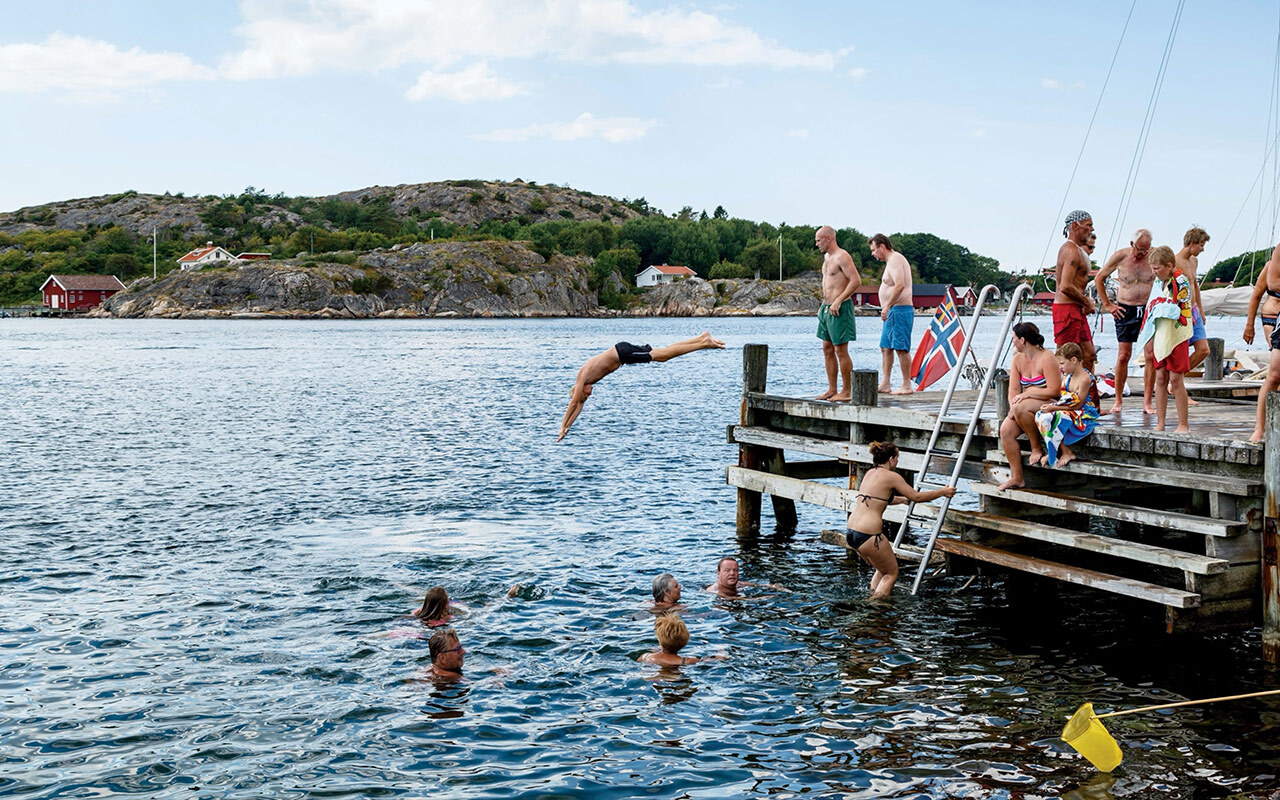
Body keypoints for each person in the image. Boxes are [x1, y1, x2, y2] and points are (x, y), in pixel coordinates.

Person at [557, 332, 725, 441]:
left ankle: (704, 344)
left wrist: (562, 424)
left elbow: (573, 404)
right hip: (623, 353)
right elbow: (578, 407)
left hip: (623, 353)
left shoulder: (582, 377)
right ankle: (701, 338)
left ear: (579, 392)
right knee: (663, 353)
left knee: (664, 356)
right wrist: (567, 428)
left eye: (586, 396)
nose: (589, 395)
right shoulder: (587, 383)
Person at [845, 441, 956, 598]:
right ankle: (874, 610)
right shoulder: (892, 477)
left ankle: (871, 598)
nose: (897, 462)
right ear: (891, 459)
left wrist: (902, 500)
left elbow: (882, 499)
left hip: (852, 532)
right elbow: (916, 496)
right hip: (870, 535)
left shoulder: (870, 473)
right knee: (891, 573)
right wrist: (943, 492)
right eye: (897, 458)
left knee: (882, 569)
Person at [1093, 228, 1154, 415]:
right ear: (1132, 244)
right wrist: (1107, 304)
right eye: (1139, 250)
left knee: (1150, 356)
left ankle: (1147, 402)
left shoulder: (1155, 256)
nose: (1142, 254)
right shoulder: (1120, 256)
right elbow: (1099, 278)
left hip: (1148, 309)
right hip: (1125, 309)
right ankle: (1118, 400)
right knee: (1123, 356)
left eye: (1146, 250)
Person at [996, 322, 1063, 491]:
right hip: (1025, 406)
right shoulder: (1017, 359)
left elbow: (1054, 390)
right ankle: (1017, 477)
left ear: (1022, 340)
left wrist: (1028, 394)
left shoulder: (1047, 357)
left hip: (1050, 403)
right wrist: (1013, 407)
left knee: (1021, 407)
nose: (1013, 342)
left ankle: (1036, 447)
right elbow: (1013, 390)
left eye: (1014, 339)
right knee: (1005, 430)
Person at [1137, 246, 1192, 433]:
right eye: (1152, 269)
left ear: (1169, 266)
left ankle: (1183, 424)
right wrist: (1149, 336)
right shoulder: (1159, 284)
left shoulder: (1181, 281)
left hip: (1176, 336)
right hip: (1161, 334)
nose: (1154, 273)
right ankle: (1160, 423)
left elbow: (1177, 308)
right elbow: (1152, 310)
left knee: (1176, 379)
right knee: (1160, 377)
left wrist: (1161, 306)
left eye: (1157, 268)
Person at [814, 225, 862, 401]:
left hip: (840, 308)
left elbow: (856, 280)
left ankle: (847, 390)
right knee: (827, 349)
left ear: (828, 238)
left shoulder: (842, 256)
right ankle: (832, 389)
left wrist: (839, 300)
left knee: (840, 350)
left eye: (819, 240)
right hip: (826, 308)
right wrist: (825, 304)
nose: (816, 244)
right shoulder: (826, 257)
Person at [1034, 343, 1098, 467]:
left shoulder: (1085, 379)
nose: (1060, 367)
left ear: (1074, 360)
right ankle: (1053, 450)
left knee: (1056, 417)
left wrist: (1054, 407)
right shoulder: (1068, 377)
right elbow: (1064, 398)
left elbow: (1078, 405)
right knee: (1041, 415)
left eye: (1062, 364)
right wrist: (1050, 406)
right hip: (1070, 408)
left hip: (1085, 412)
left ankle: (1064, 452)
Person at [1053, 210, 1098, 380]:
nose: (1091, 230)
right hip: (1066, 309)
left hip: (1076, 308)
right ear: (1074, 226)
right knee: (1065, 356)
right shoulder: (1070, 250)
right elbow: (1065, 285)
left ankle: (1084, 395)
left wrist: (1084, 303)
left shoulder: (1079, 251)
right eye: (1088, 226)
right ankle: (1061, 393)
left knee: (1089, 354)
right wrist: (1086, 301)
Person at [870, 233, 915, 394]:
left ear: (882, 246)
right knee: (886, 347)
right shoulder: (890, 262)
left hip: (899, 310)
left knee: (900, 348)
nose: (873, 254)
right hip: (892, 312)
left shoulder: (895, 259)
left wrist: (887, 306)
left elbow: (900, 284)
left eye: (874, 250)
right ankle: (885, 383)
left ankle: (906, 385)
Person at [1248, 248, 1280, 441]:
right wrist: (1249, 325)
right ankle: (1259, 429)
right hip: (1271, 315)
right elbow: (1257, 295)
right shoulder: (1270, 265)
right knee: (1274, 373)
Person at [1177, 227, 1212, 375]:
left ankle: (1179, 377)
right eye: (1201, 245)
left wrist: (1201, 312)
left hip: (1194, 310)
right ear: (1192, 243)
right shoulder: (1175, 261)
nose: (1202, 249)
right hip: (1182, 311)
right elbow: (1173, 290)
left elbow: (1195, 286)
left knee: (1203, 350)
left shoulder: (1194, 261)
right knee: (1181, 351)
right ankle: (1176, 382)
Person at [639, 614, 721, 667]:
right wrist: (721, 653)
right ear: (685, 641)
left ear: (659, 638)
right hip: (676, 678)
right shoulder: (687, 661)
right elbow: (711, 660)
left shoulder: (646, 657)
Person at [1244, 242, 1280, 351]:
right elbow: (1256, 297)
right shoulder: (1269, 268)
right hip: (1271, 315)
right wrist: (1249, 325)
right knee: (1276, 351)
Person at [704, 556, 786, 597]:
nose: (732, 573)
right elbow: (735, 599)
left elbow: (754, 585)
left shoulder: (738, 583)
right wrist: (765, 597)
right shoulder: (715, 591)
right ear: (718, 573)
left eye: (735, 570)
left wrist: (773, 587)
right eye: (727, 570)